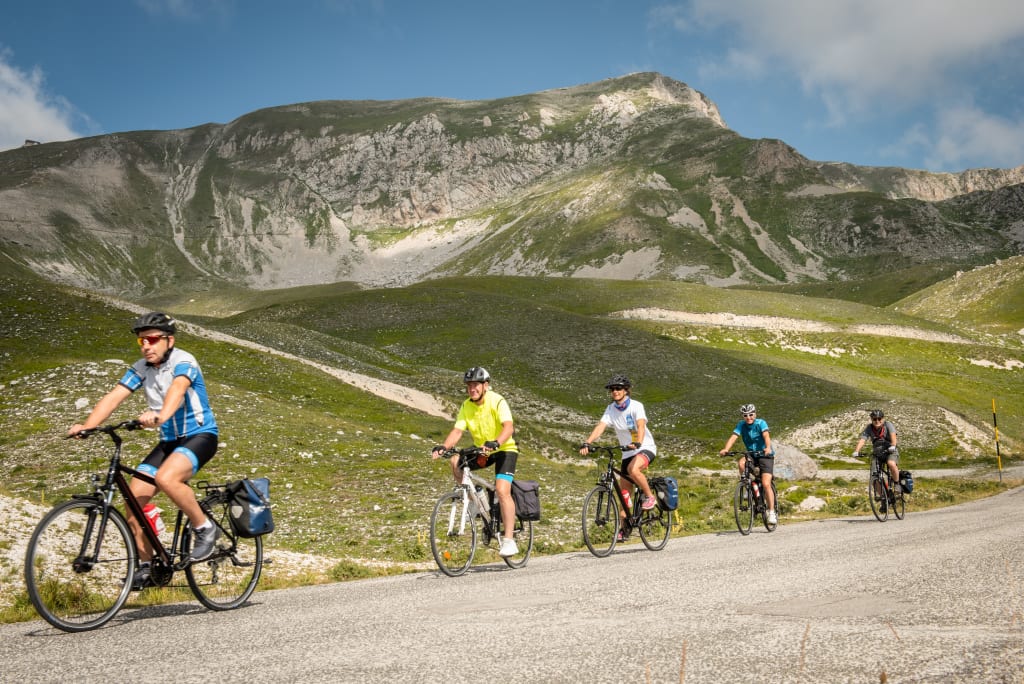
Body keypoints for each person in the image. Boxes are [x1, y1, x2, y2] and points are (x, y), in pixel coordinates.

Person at [67, 312, 220, 589]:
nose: (146, 346)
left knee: (166, 478)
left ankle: (205, 528)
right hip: (169, 442)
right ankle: (148, 566)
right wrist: (87, 426)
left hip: (199, 436)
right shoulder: (142, 367)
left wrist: (160, 416)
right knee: (133, 499)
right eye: (142, 341)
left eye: (152, 339)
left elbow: (177, 389)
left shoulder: (184, 361)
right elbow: (115, 396)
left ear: (169, 340)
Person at [431, 367, 520, 557]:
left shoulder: (497, 401)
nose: (472, 389)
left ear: (485, 385)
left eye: (476, 385)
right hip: (483, 450)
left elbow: (508, 427)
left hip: (504, 449)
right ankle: (475, 499)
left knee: (502, 490)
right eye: (469, 385)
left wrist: (496, 442)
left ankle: (509, 540)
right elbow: (457, 431)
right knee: (455, 461)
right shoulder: (466, 406)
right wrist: (444, 447)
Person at [579, 375, 658, 540]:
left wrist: (638, 442)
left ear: (625, 390)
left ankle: (650, 496)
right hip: (627, 452)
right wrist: (587, 442)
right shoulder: (611, 409)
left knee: (633, 469)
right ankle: (625, 529)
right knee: (624, 495)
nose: (615, 391)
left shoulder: (636, 406)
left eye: (618, 388)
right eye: (612, 389)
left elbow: (641, 425)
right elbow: (600, 427)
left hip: (645, 447)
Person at [719, 403, 777, 524]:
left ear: (755, 414)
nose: (748, 417)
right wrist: (726, 449)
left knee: (766, 483)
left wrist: (767, 447)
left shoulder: (761, 423)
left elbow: (766, 435)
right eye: (745, 415)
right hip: (752, 454)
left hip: (765, 455)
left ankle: (771, 512)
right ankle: (747, 485)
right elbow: (734, 437)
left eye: (751, 414)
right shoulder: (741, 425)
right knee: (741, 463)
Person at [853, 409, 901, 502]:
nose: (877, 421)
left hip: (890, 450)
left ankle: (897, 484)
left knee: (891, 463)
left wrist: (893, 446)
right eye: (874, 419)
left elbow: (893, 436)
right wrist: (857, 451)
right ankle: (884, 499)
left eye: (879, 418)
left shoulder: (888, 425)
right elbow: (862, 440)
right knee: (874, 477)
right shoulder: (869, 428)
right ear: (872, 420)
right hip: (877, 453)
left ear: (883, 418)